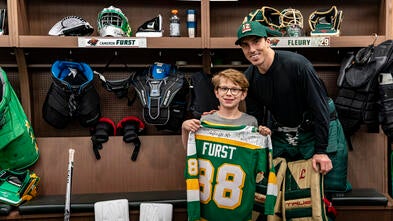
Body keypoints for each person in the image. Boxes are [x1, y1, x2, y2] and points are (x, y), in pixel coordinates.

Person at [235, 21, 349, 220]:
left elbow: (320, 110)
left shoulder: (297, 65)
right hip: (284, 132)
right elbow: (257, 119)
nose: (251, 49)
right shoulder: (249, 77)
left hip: (318, 127)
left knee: (320, 193)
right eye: (245, 45)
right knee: (283, 190)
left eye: (256, 41)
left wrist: (321, 151)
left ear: (268, 41)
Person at [181, 68, 271, 147]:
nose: (228, 94)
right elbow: (192, 151)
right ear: (216, 92)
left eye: (234, 89)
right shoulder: (206, 120)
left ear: (243, 94)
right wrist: (184, 128)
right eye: (224, 89)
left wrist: (264, 135)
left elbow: (255, 154)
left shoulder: (251, 122)